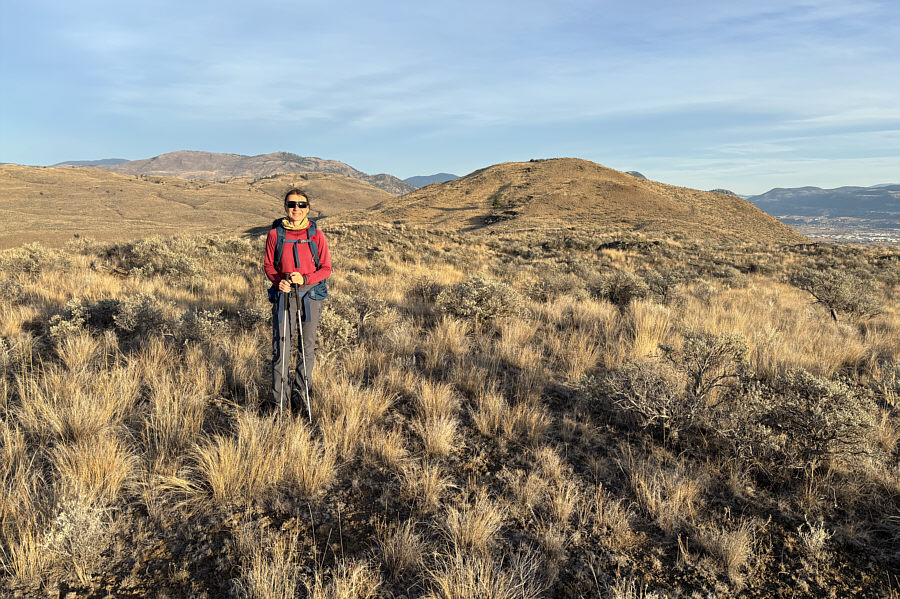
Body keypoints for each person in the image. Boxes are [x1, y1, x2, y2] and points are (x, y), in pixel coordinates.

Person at [264, 189, 331, 414]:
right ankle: (279, 403)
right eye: (292, 204)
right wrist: (277, 282)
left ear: (308, 209)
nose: (296, 208)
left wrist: (306, 279)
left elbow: (326, 269)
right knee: (281, 348)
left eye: (301, 205)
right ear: (285, 207)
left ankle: (300, 396)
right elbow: (269, 266)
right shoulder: (275, 234)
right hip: (284, 295)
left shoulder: (316, 236)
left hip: (310, 296)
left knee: (306, 347)